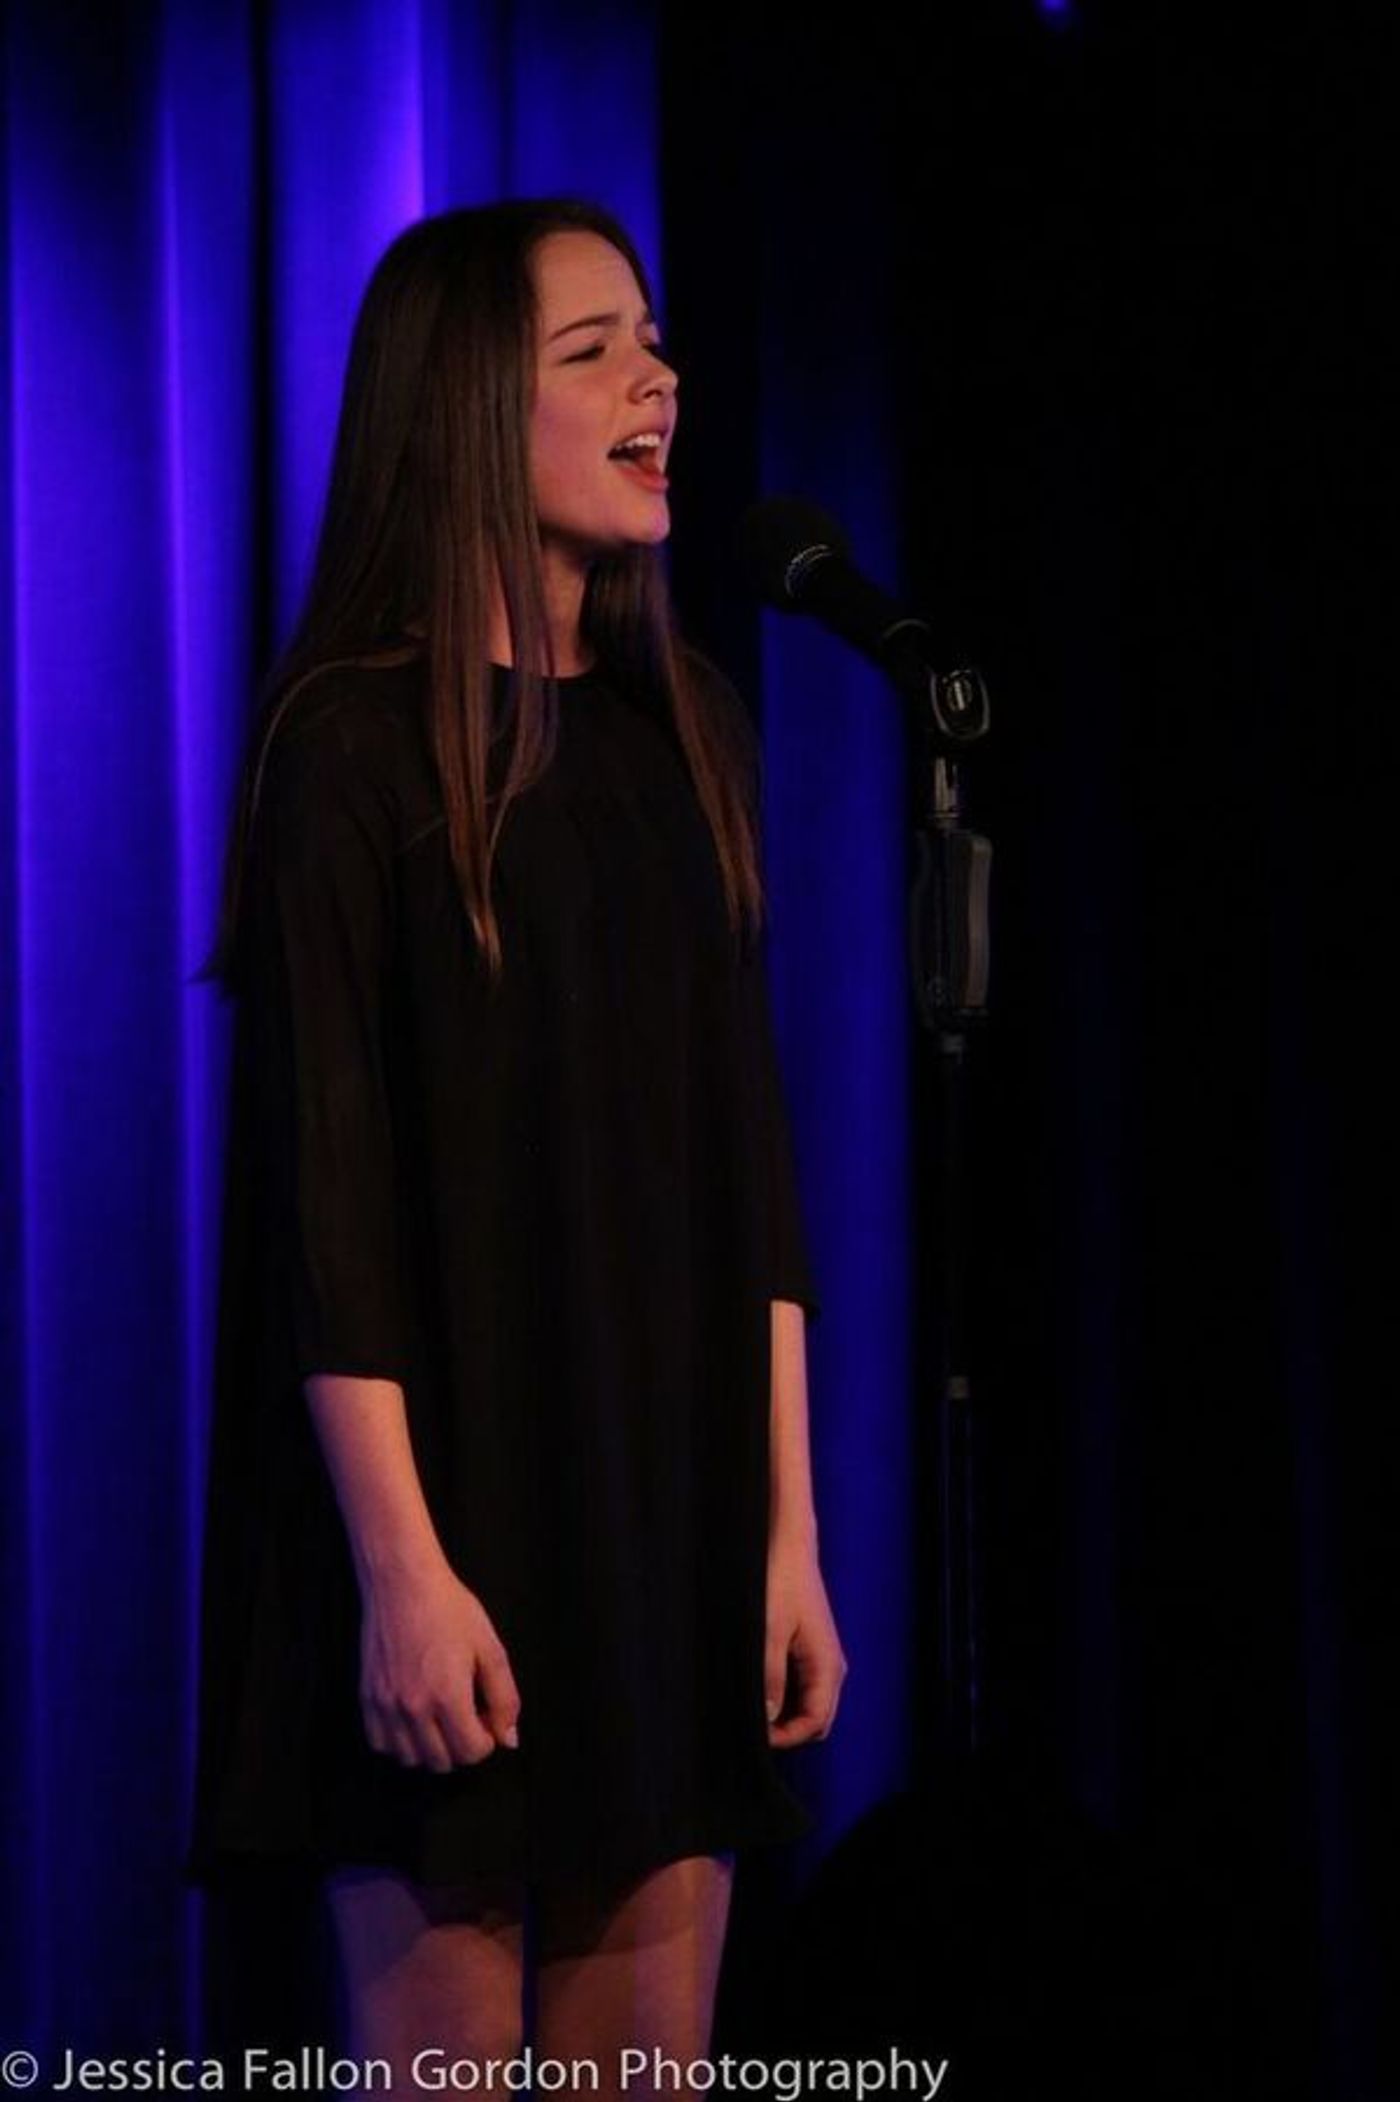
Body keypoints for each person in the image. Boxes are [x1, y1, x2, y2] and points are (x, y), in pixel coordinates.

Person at [185, 197, 846, 2093]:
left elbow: (751, 1181)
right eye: (593, 349)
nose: (659, 380)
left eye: (654, 338)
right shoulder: (350, 749)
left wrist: (787, 1537)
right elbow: (331, 1208)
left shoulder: (687, 731)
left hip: (662, 1512)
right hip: (440, 1509)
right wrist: (402, 1570)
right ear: (470, 405)